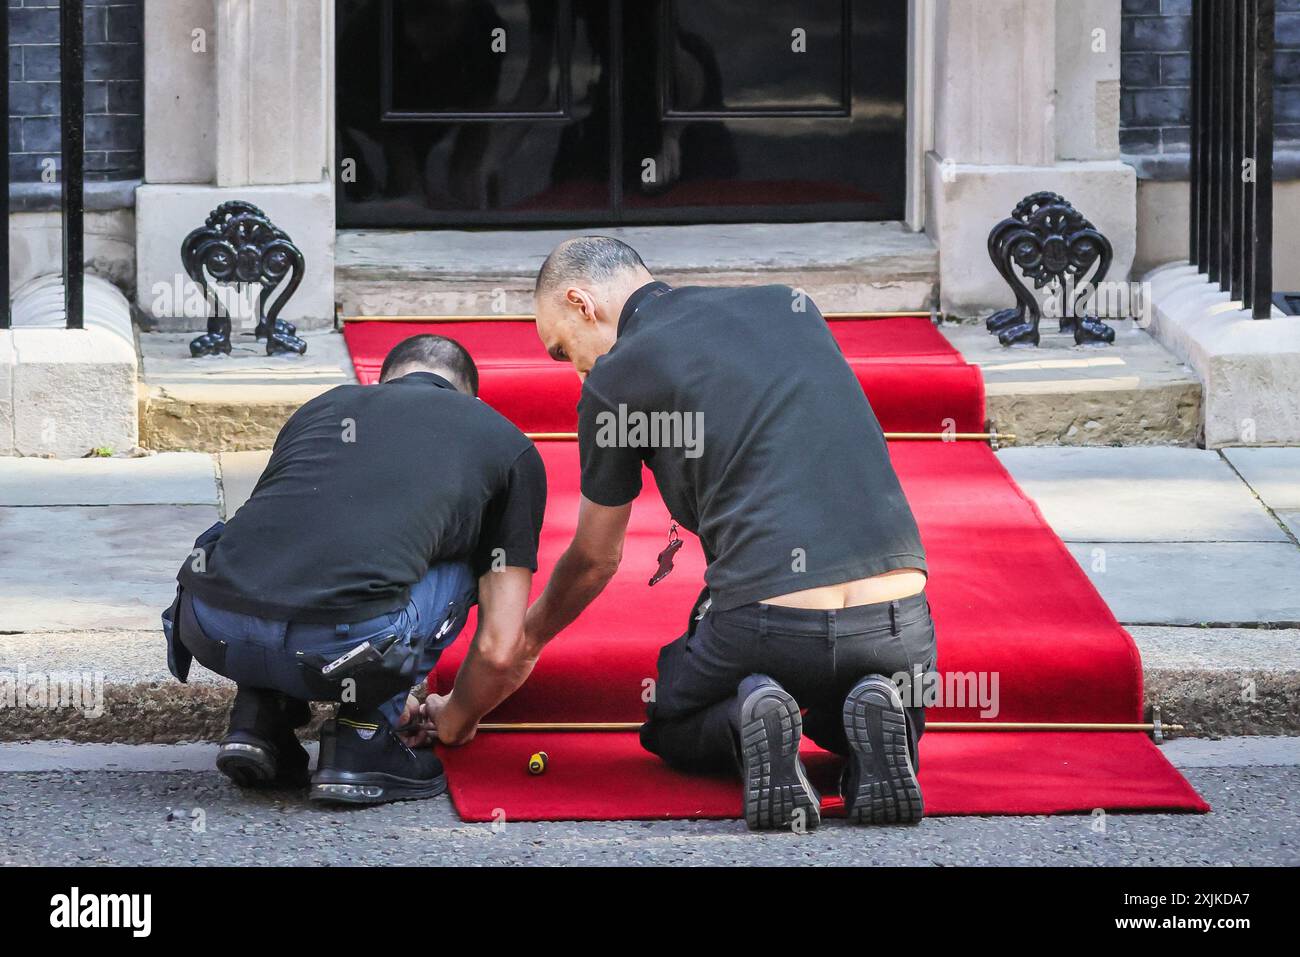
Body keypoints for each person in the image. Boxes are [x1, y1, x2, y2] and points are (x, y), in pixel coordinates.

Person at [474, 235, 936, 830]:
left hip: (769, 621)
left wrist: (527, 639)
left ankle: (750, 723)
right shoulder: (787, 304)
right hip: (899, 620)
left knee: (668, 722)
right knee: (882, 701)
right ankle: (869, 725)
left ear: (582, 302)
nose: (575, 367)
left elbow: (595, 556)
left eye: (562, 348)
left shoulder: (614, 380)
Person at [161, 335, 546, 805]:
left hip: (208, 623)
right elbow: (500, 646)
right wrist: (456, 717)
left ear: (382, 384)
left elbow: (278, 535)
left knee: (288, 546)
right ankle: (361, 740)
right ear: (472, 399)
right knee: (472, 563)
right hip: (344, 642)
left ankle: (259, 719)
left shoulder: (325, 407)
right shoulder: (504, 440)